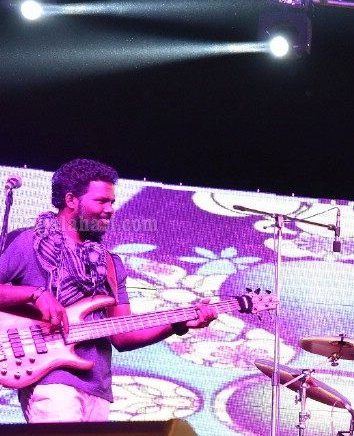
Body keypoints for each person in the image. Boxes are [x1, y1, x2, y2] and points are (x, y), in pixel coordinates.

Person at [0, 158, 216, 422]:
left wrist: (178, 323)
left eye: (112, 202)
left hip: (98, 388)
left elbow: (123, 336)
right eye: (102, 201)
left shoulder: (111, 264)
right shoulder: (28, 242)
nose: (111, 209)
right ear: (71, 200)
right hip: (52, 382)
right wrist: (34, 294)